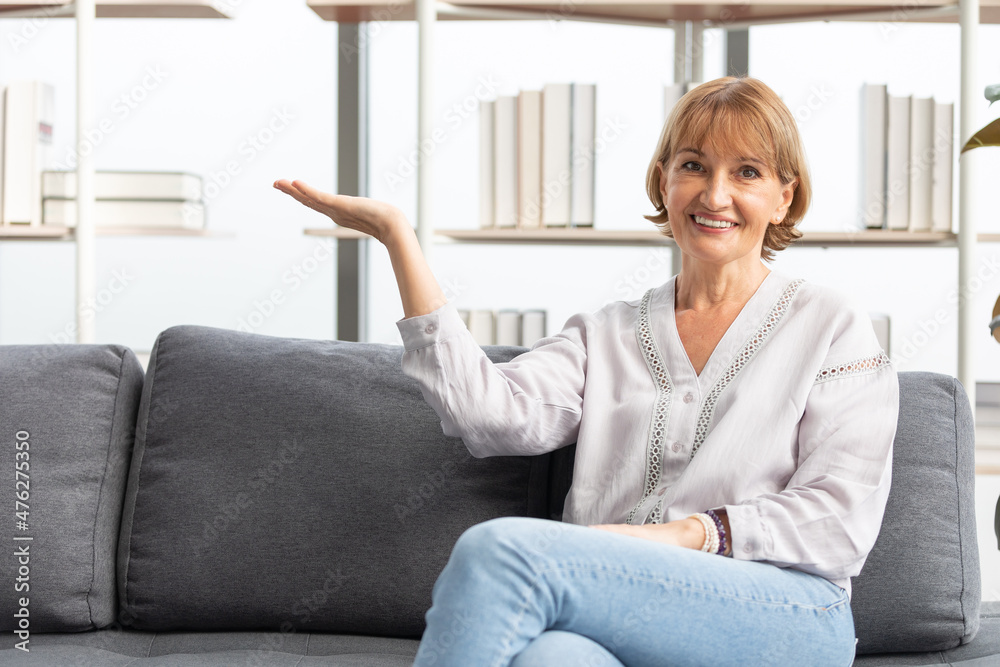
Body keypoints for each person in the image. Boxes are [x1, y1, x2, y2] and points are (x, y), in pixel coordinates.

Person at [274, 76, 898, 667]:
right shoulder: (607, 333)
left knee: (503, 551)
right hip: (622, 603)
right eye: (693, 166)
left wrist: (682, 536)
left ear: (783, 196)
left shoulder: (831, 326)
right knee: (551, 658)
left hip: (782, 611)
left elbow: (838, 519)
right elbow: (489, 418)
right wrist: (397, 238)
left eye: (747, 173)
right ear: (662, 182)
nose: (715, 195)